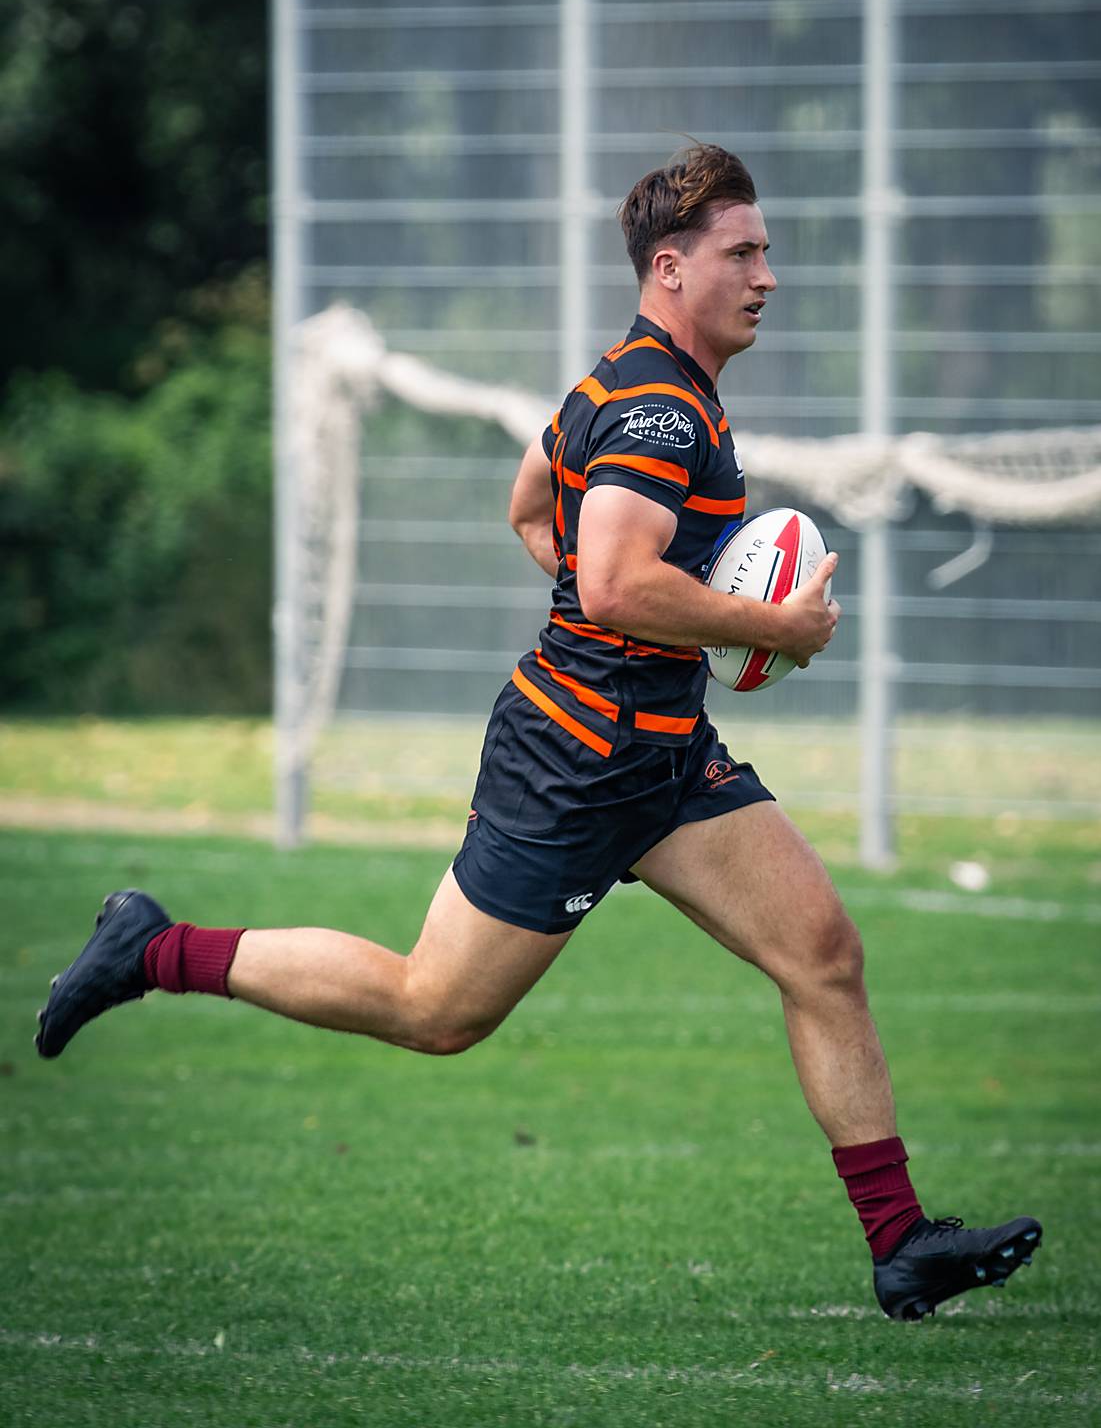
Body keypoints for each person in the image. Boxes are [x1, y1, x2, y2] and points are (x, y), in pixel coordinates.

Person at [36, 143, 1040, 1320]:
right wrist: (768, 626)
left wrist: (642, 636)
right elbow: (611, 583)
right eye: (743, 253)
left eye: (766, 252)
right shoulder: (659, 411)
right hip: (575, 761)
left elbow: (531, 507)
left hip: (662, 751)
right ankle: (153, 946)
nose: (768, 276)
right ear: (671, 268)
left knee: (823, 953)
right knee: (436, 1009)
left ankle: (902, 1241)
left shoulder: (622, 385)